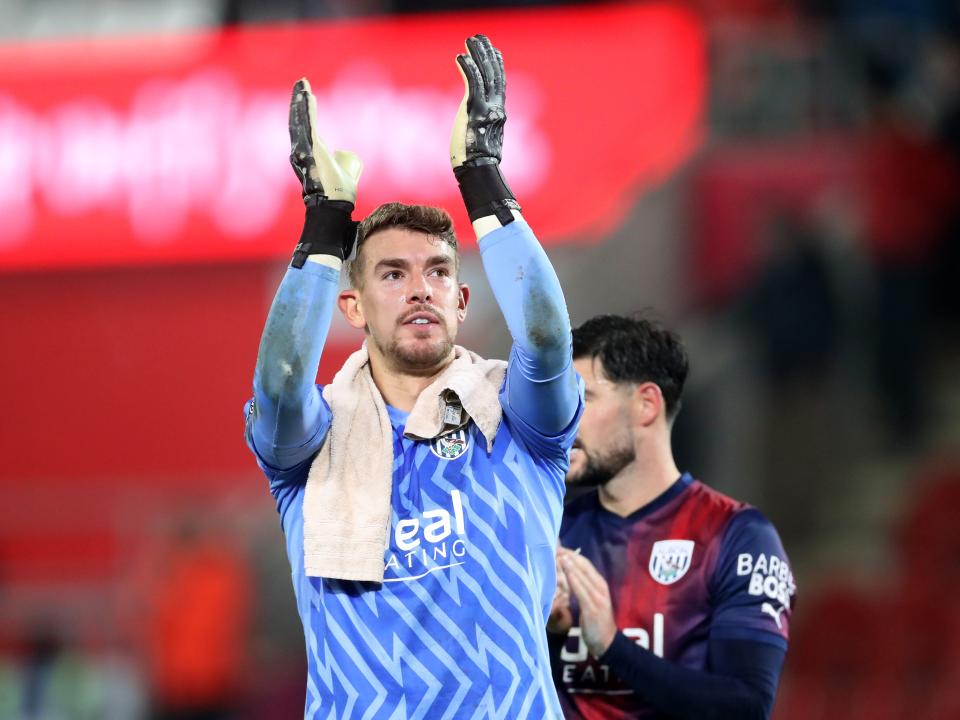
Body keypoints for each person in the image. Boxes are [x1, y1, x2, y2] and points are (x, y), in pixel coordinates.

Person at [244, 35, 582, 718]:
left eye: (437, 273)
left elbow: (545, 339)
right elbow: (280, 382)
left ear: (462, 301)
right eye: (393, 275)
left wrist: (482, 173)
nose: (420, 290)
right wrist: (324, 223)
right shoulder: (313, 447)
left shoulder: (518, 424)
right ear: (353, 307)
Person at [548, 314, 795, 719]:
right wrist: (552, 634)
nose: (564, 419)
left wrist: (612, 645)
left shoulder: (736, 536)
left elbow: (746, 707)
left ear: (646, 405)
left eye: (583, 398)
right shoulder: (552, 532)